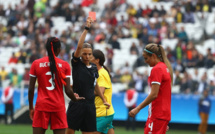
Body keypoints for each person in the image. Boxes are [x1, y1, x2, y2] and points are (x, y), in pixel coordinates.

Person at [28, 37, 82, 134]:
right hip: (58, 107)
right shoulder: (65, 65)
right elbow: (68, 90)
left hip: (41, 106)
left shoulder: (36, 64)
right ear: (58, 49)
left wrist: (31, 108)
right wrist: (75, 99)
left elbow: (31, 90)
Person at [66, 17, 110, 134]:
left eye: (89, 54)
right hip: (77, 104)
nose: (86, 56)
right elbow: (79, 47)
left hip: (90, 105)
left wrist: (103, 99)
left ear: (91, 55)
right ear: (81, 54)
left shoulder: (95, 68)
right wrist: (87, 28)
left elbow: (95, 85)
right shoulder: (77, 65)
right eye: (84, 54)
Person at [129, 43, 173, 134]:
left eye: (146, 58)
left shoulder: (157, 69)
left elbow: (154, 94)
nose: (145, 61)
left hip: (157, 115)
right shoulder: (165, 67)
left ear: (153, 56)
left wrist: (138, 108)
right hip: (162, 115)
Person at [91, 49, 115, 134]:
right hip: (104, 112)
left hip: (102, 113)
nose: (87, 58)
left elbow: (99, 92)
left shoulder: (101, 73)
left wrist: (84, 91)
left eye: (90, 56)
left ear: (97, 60)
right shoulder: (98, 73)